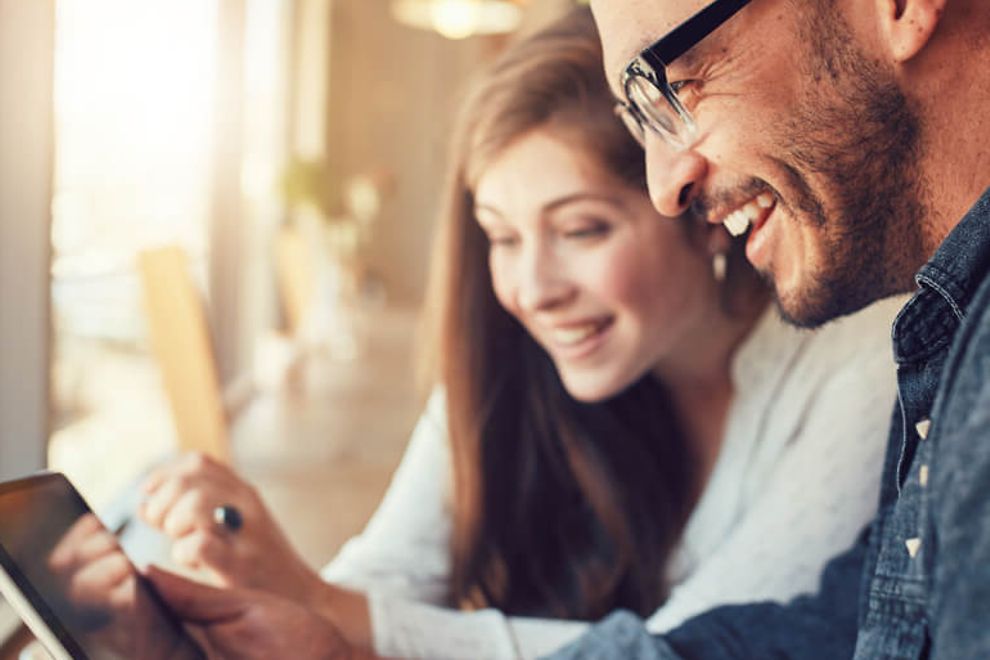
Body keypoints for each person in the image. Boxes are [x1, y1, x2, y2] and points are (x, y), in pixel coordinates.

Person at [141, 7, 903, 659]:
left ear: (693, 205)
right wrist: (262, 593)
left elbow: (685, 648)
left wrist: (332, 613)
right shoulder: (512, 361)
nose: (533, 291)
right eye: (502, 237)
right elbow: (381, 581)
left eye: (580, 229)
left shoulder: (864, 362)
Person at [542, 0, 990, 657]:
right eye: (639, 116)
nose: (664, 188)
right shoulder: (953, 326)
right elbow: (848, 622)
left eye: (672, 77)